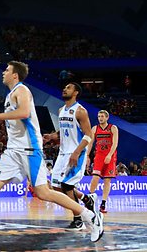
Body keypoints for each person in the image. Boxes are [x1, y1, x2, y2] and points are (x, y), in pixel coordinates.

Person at [0, 61, 103, 246]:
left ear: (15, 75)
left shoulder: (22, 90)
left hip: (29, 150)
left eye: (7, 70)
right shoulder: (10, 95)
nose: (3, 72)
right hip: (13, 151)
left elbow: (24, 112)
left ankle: (89, 216)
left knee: (44, 192)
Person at [43, 82, 96, 230]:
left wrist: (77, 152)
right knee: (55, 187)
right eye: (65, 87)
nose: (65, 89)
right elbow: (64, 131)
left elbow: (88, 135)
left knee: (67, 185)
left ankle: (78, 219)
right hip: (62, 153)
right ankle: (85, 198)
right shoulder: (61, 110)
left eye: (69, 88)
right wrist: (52, 136)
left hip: (76, 153)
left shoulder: (80, 111)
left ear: (76, 93)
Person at [89, 110, 118, 214]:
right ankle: (90, 199)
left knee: (107, 181)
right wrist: (87, 155)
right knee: (95, 177)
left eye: (102, 116)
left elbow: (115, 143)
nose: (100, 118)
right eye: (98, 116)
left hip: (110, 156)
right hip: (99, 156)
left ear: (107, 118)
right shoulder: (95, 128)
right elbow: (91, 142)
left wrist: (109, 155)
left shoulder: (113, 128)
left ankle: (103, 203)